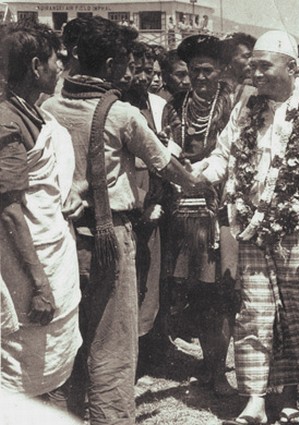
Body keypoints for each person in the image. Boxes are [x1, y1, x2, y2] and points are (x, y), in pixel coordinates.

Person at [42, 16, 208, 424]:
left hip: (60, 235)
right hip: (110, 234)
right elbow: (167, 165)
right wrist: (197, 180)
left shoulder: (48, 107)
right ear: (111, 64)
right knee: (113, 339)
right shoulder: (121, 114)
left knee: (67, 334)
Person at [196, 29, 299, 425]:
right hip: (252, 228)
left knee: (296, 315)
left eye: (264, 66)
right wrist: (195, 174)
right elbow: (223, 156)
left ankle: (289, 397)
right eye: (252, 65)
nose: (254, 73)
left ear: (291, 67)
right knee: (254, 312)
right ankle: (254, 400)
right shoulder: (246, 106)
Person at [0, 20, 81, 409]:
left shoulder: (34, 115)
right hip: (26, 270)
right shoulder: (8, 122)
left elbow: (42, 188)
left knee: (52, 373)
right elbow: (10, 212)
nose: (60, 68)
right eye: (54, 60)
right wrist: (39, 285)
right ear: (35, 66)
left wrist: (73, 192)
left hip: (49, 257)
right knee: (23, 380)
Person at [160, 34, 236, 397]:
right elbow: (167, 152)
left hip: (224, 207)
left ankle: (220, 370)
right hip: (185, 209)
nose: (200, 77)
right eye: (194, 71)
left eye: (207, 70)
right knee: (198, 291)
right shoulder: (174, 106)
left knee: (222, 291)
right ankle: (210, 364)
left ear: (220, 70)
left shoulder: (234, 104)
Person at [121, 41, 169, 377]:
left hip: (152, 208)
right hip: (125, 209)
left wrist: (158, 201)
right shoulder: (114, 108)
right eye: (136, 70)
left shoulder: (158, 105)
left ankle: (143, 354)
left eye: (147, 71)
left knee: (148, 284)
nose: (142, 78)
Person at [220, 32, 257, 106]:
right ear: (229, 59)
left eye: (253, 57)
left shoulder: (254, 91)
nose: (252, 61)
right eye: (246, 56)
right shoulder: (217, 91)